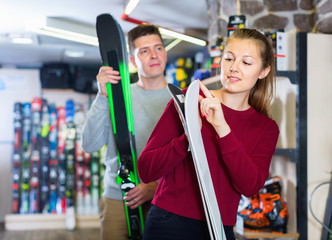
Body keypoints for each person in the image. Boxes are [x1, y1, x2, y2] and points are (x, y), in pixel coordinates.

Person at [137, 28, 280, 240]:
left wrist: (223, 129)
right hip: (169, 223)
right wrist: (188, 138)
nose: (233, 68)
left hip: (220, 229)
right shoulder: (188, 101)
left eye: (246, 62)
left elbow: (250, 186)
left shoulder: (265, 127)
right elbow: (146, 170)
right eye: (229, 58)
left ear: (263, 71)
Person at [81, 24, 171, 240]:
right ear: (132, 61)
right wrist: (102, 96)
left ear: (165, 53)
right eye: (144, 50)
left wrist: (154, 187)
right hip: (119, 198)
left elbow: (188, 158)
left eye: (158, 48)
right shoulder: (117, 96)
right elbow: (89, 145)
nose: (154, 55)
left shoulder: (180, 99)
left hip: (166, 199)